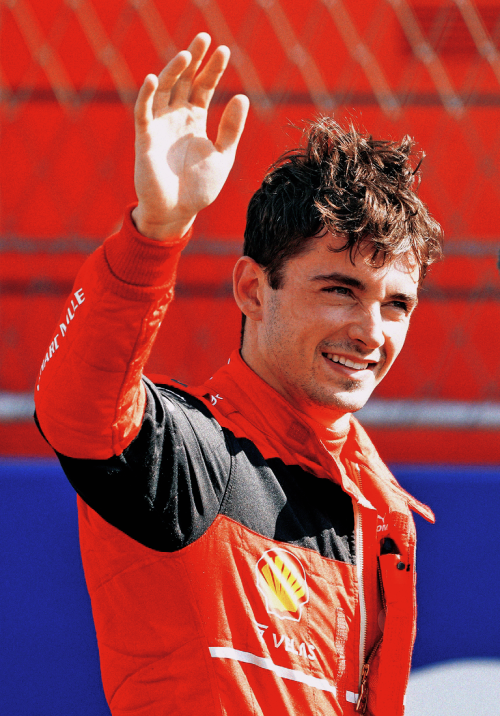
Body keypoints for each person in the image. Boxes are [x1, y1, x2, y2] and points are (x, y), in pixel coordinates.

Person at [35, 33, 443, 716]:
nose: (372, 331)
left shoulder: (379, 508)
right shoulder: (194, 458)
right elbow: (79, 410)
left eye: (396, 303)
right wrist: (154, 234)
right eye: (338, 290)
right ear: (253, 290)